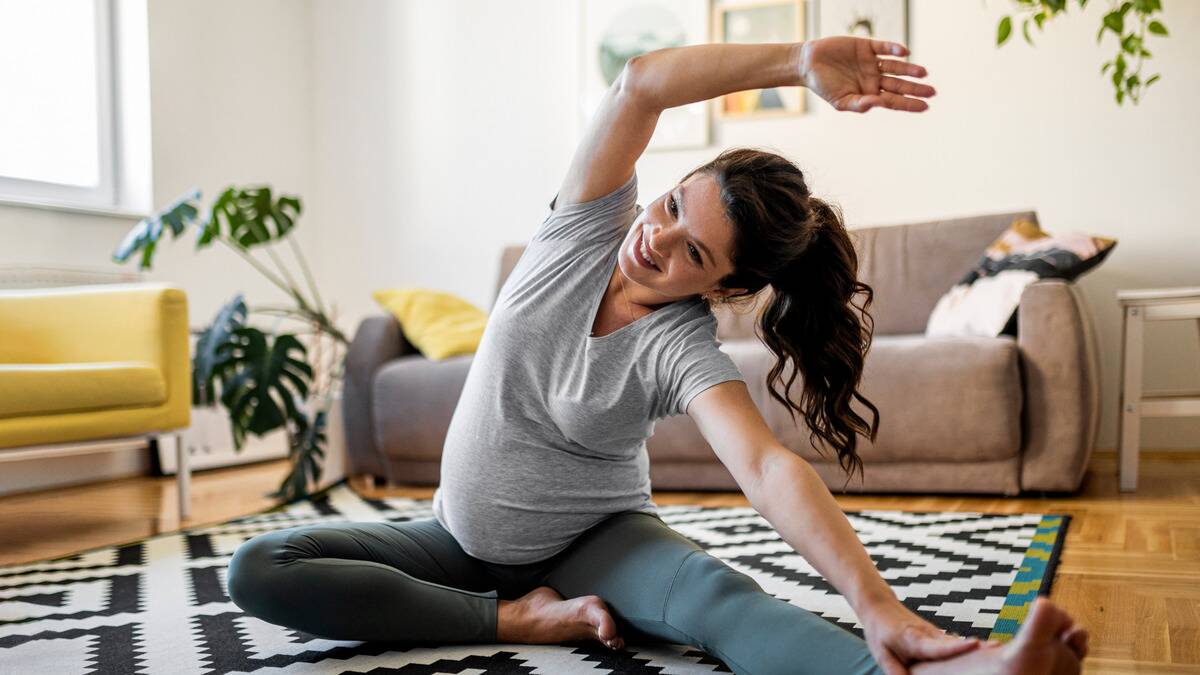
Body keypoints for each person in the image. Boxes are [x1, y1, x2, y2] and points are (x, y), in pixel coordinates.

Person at [227, 36, 1089, 674]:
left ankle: (936, 672)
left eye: (694, 254)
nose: (658, 241)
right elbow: (640, 83)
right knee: (260, 566)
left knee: (716, 599)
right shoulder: (584, 227)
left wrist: (878, 604)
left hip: (595, 542)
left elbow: (765, 465)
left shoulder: (678, 342)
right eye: (675, 205)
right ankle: (512, 620)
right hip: (454, 539)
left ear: (720, 286)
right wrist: (796, 63)